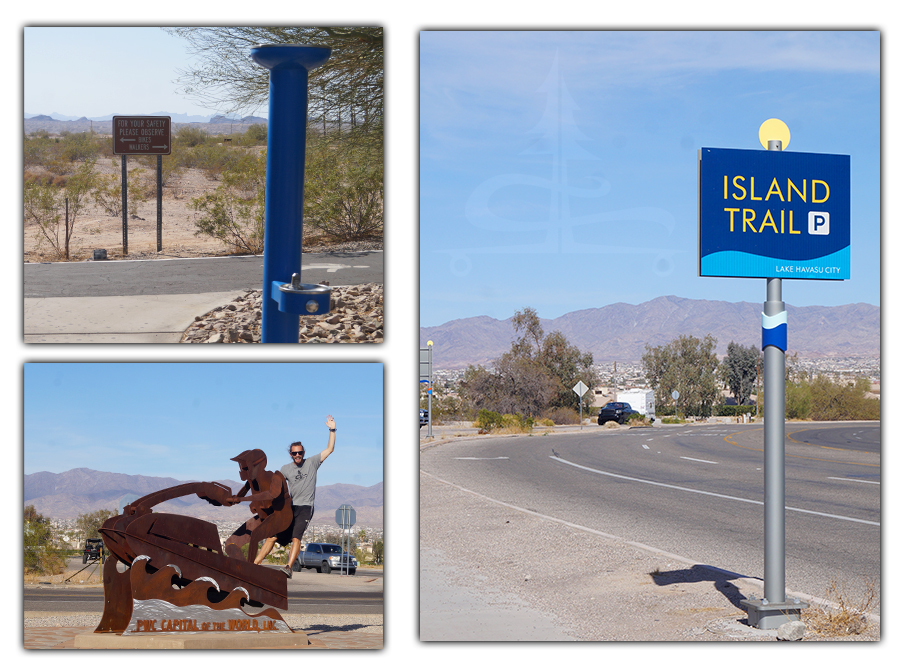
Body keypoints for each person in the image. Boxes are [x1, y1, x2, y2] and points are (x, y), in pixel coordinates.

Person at [254, 415, 336, 577]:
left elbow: (329, 449)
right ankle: (254, 565)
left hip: (305, 507)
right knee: (273, 536)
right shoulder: (285, 469)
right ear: (290, 454)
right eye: (294, 453)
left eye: (300, 452)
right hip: (291, 508)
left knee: (296, 537)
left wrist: (332, 429)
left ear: (303, 452)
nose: (297, 455)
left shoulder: (312, 462)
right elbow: (274, 486)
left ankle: (288, 567)